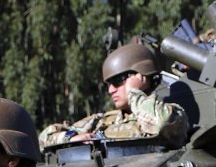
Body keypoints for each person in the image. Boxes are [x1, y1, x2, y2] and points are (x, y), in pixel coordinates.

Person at [39, 44, 188, 149]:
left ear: (141, 76)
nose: (111, 90)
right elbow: (43, 139)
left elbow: (159, 124)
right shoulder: (102, 121)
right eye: (108, 84)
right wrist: (70, 137)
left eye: (117, 81)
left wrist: (134, 93)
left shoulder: (172, 113)